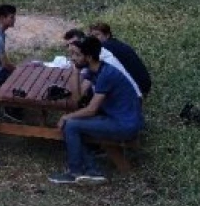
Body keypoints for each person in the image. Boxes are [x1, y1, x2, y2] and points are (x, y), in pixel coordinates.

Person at [49, 36, 144, 185]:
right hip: (115, 118)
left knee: (71, 125)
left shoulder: (106, 75)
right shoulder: (95, 69)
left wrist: (66, 117)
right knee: (73, 124)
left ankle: (76, 172)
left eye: (78, 55)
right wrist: (75, 71)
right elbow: (76, 98)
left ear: (89, 57)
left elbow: (91, 110)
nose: (74, 58)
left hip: (124, 125)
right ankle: (93, 170)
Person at [63, 29, 142, 99]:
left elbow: (79, 98)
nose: (70, 49)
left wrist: (76, 69)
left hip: (128, 102)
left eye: (74, 44)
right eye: (68, 46)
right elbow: (79, 92)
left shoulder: (99, 61)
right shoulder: (94, 54)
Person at [89, 22, 152, 98]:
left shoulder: (105, 47)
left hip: (136, 86)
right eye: (92, 36)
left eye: (97, 35)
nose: (94, 38)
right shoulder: (116, 44)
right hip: (143, 84)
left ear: (107, 35)